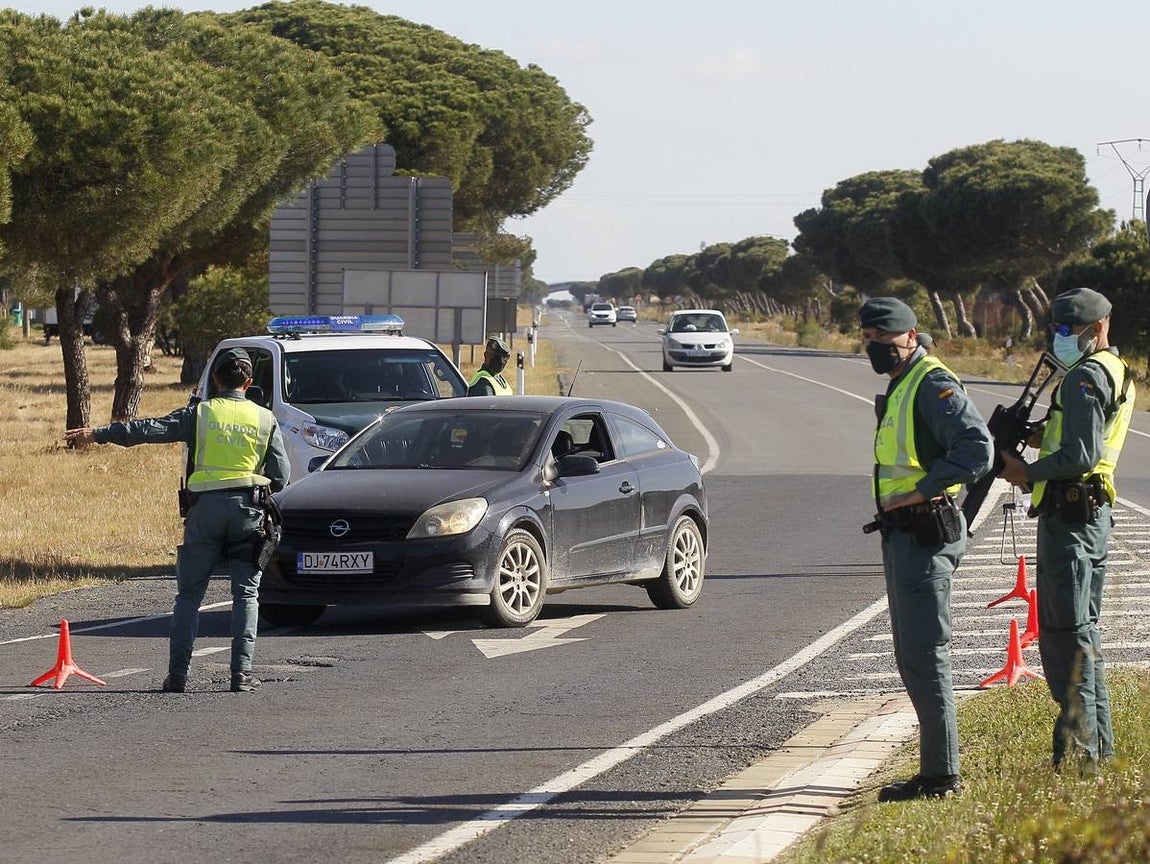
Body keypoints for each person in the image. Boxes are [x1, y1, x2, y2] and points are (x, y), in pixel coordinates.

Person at [64, 347, 290, 694]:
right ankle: (241, 675)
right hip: (248, 511)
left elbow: (148, 429)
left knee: (189, 597)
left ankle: (178, 676)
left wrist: (98, 434)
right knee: (246, 594)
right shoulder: (264, 418)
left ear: (215, 379)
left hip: (204, 513)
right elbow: (281, 474)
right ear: (249, 381)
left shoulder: (199, 414)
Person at [860, 297, 993, 802]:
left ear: (911, 336)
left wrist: (922, 490)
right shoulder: (902, 382)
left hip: (923, 533)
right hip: (902, 533)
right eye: (870, 340)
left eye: (885, 341)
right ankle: (937, 768)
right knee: (912, 654)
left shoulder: (932, 382)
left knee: (925, 653)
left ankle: (942, 776)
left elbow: (976, 450)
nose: (876, 349)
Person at [999, 287, 1135, 770]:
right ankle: (1097, 749)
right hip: (1088, 518)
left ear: (1098, 327)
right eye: (1055, 329)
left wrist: (1024, 471)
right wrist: (1041, 434)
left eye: (1067, 330)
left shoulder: (1084, 379)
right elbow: (1081, 436)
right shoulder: (1112, 370)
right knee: (1084, 633)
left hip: (1072, 521)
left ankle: (1080, 756)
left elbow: (1080, 454)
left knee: (1064, 635)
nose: (1060, 338)